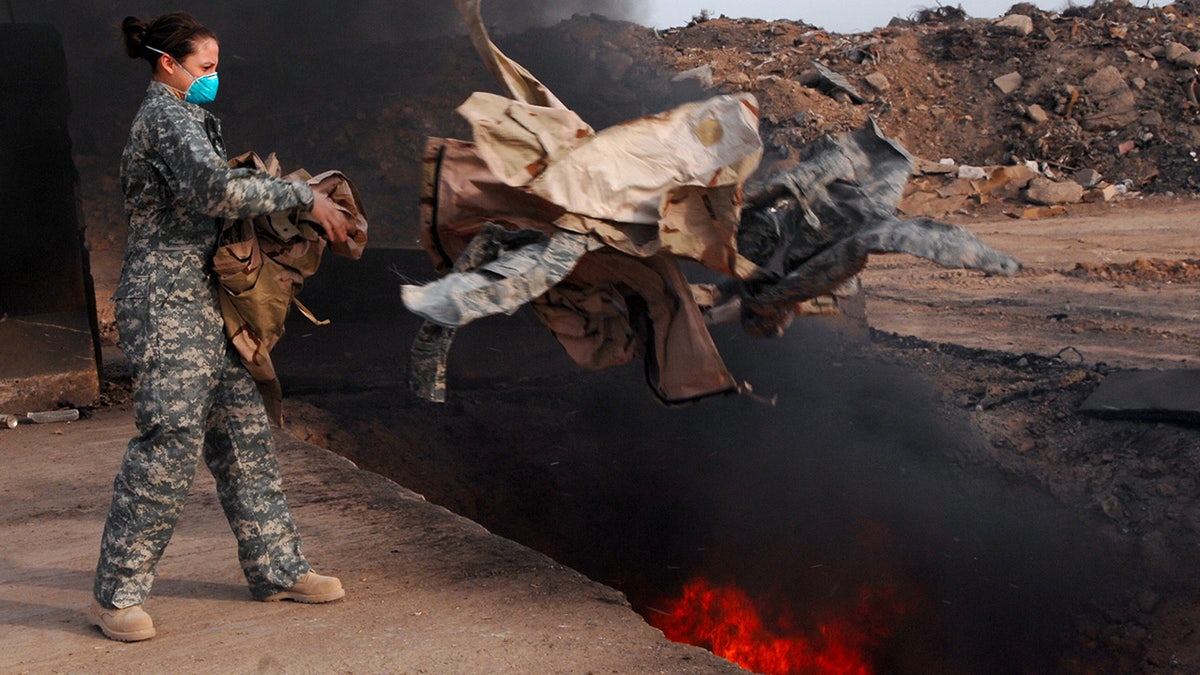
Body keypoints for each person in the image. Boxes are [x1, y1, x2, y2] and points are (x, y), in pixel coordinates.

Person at [90, 11, 349, 642]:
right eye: (205, 67)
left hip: (209, 301)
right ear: (168, 64)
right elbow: (212, 190)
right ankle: (116, 595)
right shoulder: (166, 116)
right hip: (167, 301)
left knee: (244, 437)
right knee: (169, 443)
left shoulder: (191, 115)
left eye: (216, 66)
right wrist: (300, 196)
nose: (214, 77)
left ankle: (277, 568)